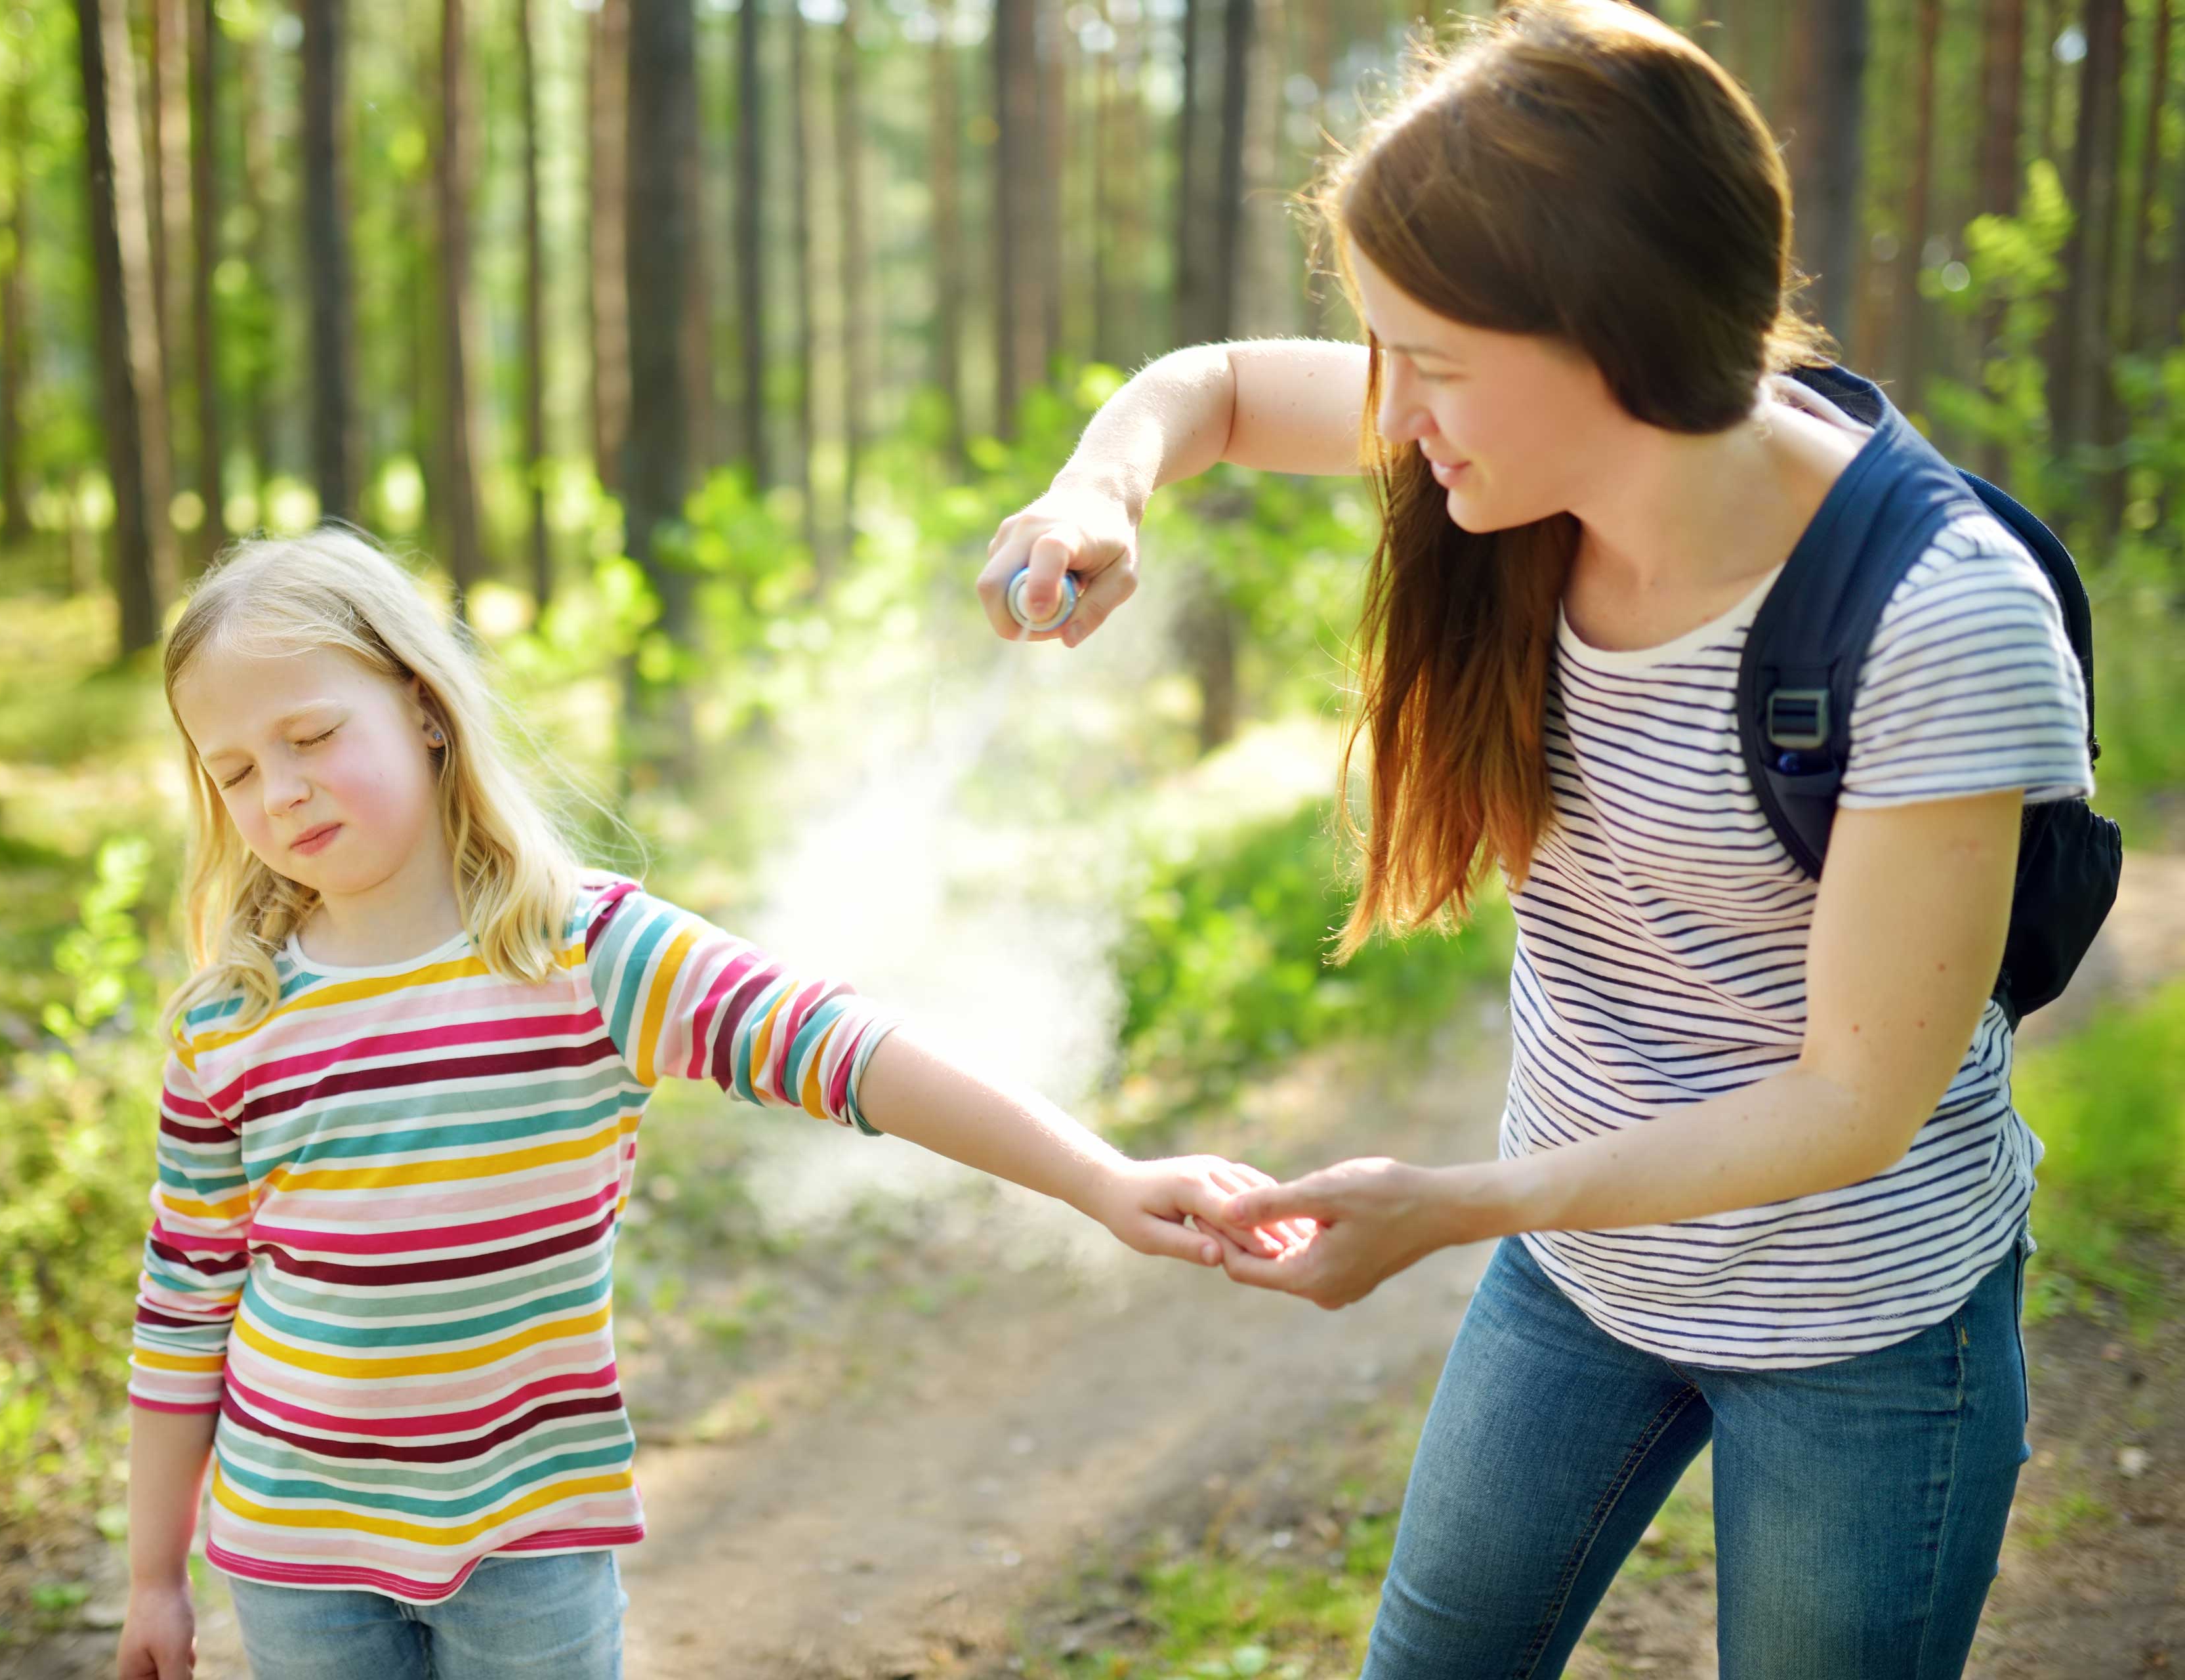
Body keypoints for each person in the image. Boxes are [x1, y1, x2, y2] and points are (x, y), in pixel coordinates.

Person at [978, 4, 2093, 1675]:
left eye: (1429, 360)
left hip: (1859, 1321)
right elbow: (1200, 389)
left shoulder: (1941, 619)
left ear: (1611, 335)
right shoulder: (1501, 459)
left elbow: (1856, 1103)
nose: (1393, 410)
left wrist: (1455, 1201)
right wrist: (1098, 493)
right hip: (1579, 1277)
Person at [112, 526, 1272, 1680]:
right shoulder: (231, 1023)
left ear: (424, 707)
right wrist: (155, 1581)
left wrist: (1102, 1179)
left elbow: (846, 1049)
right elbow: (183, 1311)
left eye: (311, 735)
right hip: (297, 1554)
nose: (283, 790)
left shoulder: (582, 949)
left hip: (530, 1547)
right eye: (235, 772)